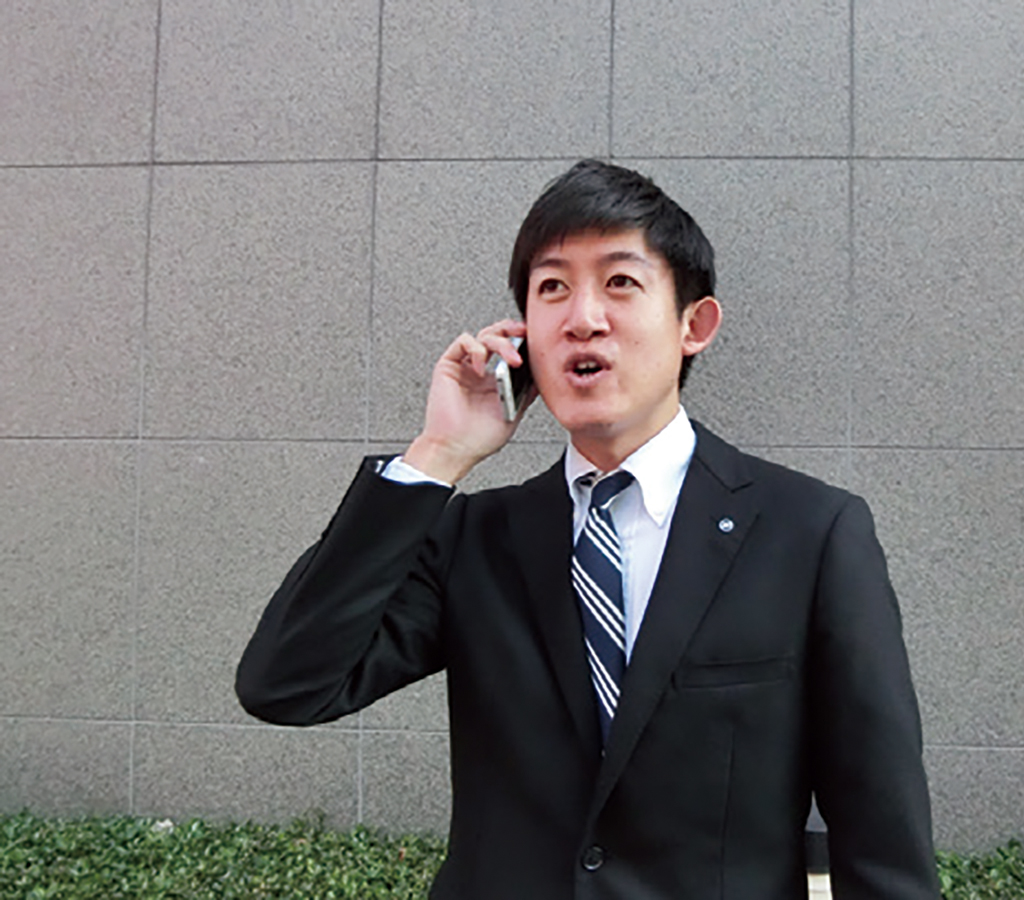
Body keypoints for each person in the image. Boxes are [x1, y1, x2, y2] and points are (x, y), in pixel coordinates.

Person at [236, 160, 939, 899]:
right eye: (552, 288)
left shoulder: (811, 533)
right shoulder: (475, 537)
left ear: (694, 324)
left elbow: (879, 827)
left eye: (620, 282)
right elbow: (287, 685)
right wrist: (437, 455)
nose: (582, 317)